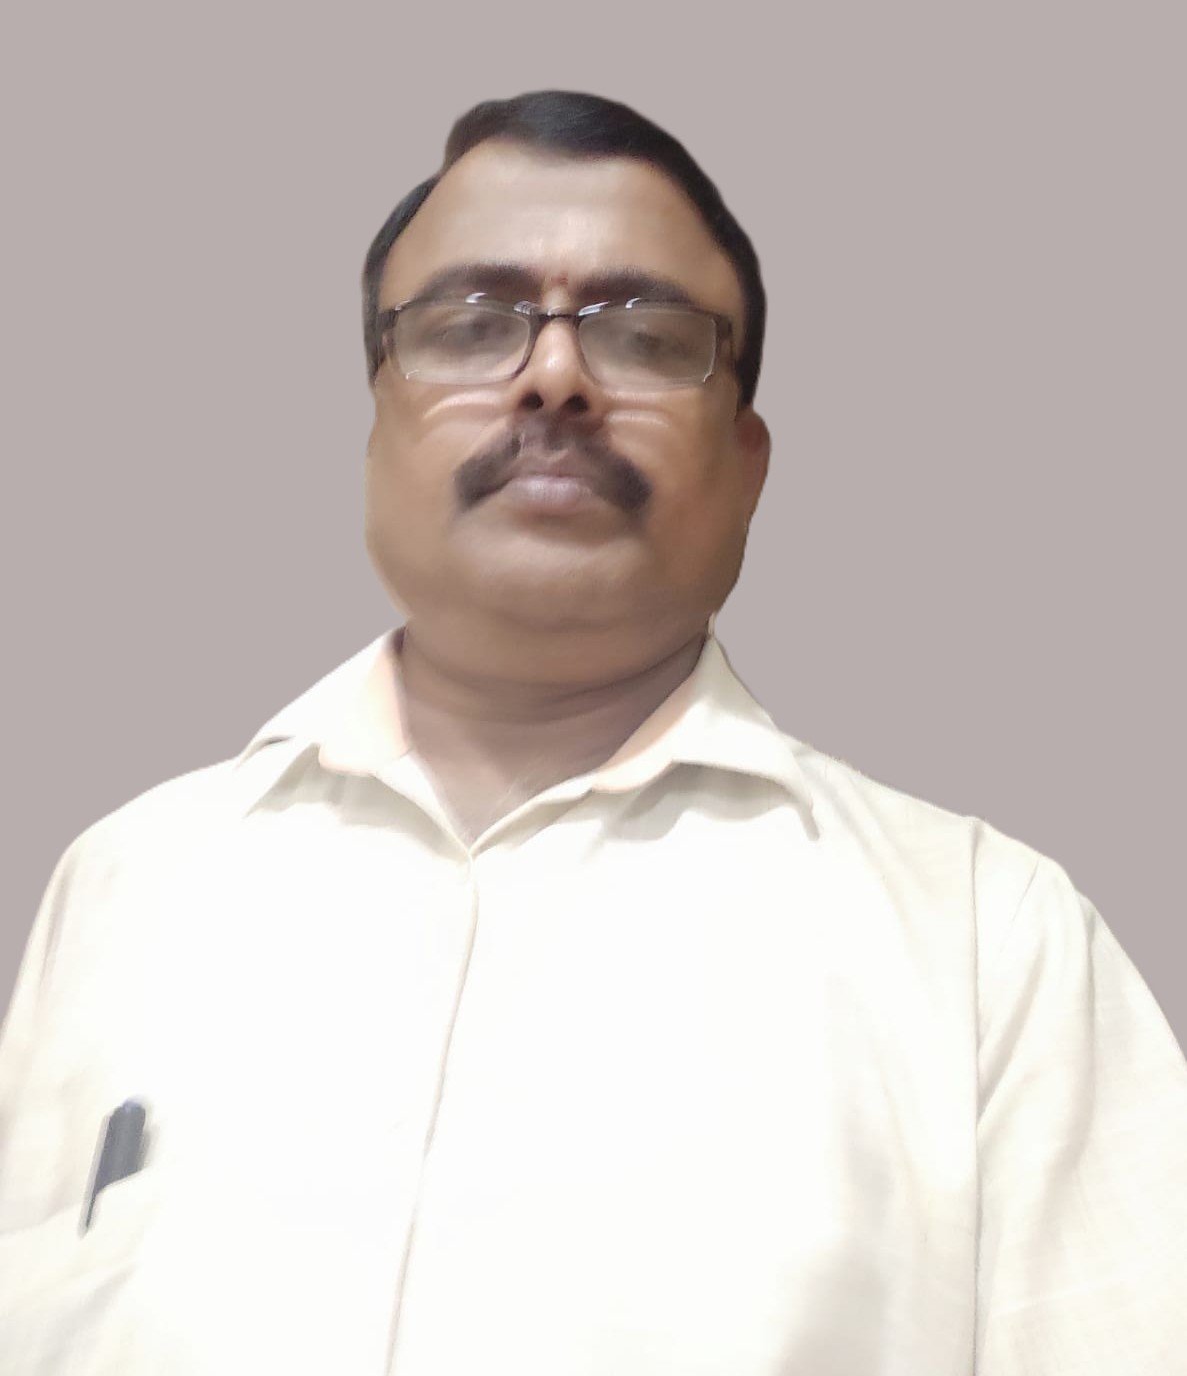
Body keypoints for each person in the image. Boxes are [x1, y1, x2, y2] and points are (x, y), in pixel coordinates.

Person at [1, 89, 1184, 1376]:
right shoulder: (124, 884)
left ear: (747, 463)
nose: (554, 376)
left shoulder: (988, 945)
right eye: (470, 324)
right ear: (374, 428)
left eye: (646, 336)